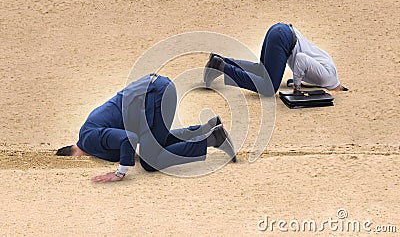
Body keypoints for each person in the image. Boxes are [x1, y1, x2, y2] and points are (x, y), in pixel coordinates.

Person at [56, 74, 236, 183]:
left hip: (155, 94)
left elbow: (129, 138)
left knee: (150, 162)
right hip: (154, 91)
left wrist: (120, 172)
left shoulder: (89, 139)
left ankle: (212, 139)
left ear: (73, 156)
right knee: (156, 146)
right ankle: (207, 128)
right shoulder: (90, 138)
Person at [203, 23, 348, 96]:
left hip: (280, 31)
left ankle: (220, 60)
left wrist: (297, 82)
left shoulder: (328, 75)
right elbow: (301, 59)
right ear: (338, 89)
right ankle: (222, 67)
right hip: (283, 39)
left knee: (262, 71)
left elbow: (308, 71)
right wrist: (297, 88)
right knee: (269, 87)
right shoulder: (328, 79)